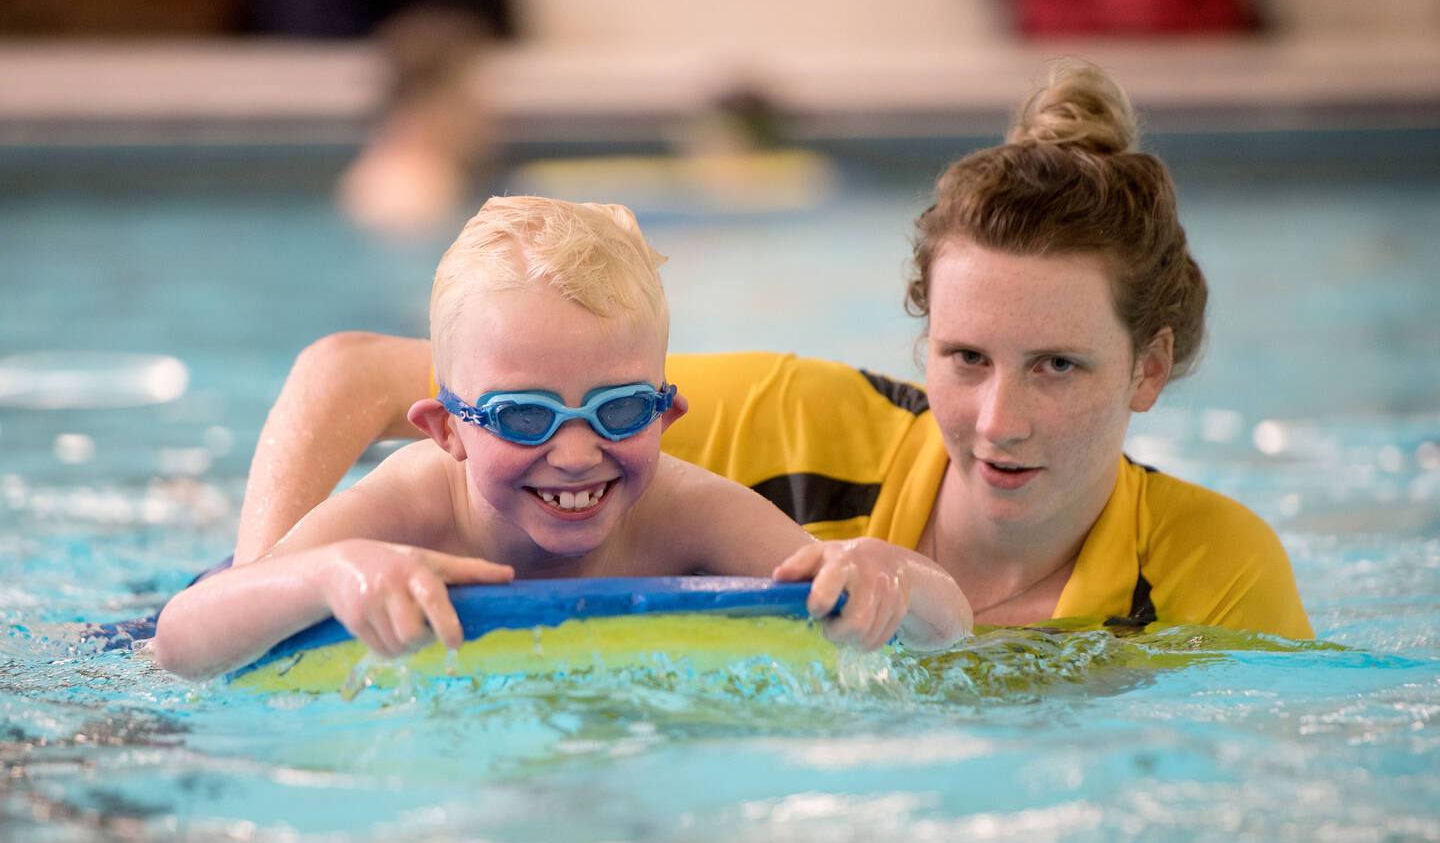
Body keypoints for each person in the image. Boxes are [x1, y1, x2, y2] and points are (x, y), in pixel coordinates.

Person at [229, 61, 1313, 640]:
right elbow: (351, 371)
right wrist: (267, 609)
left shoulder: (1216, 573)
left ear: (1152, 368)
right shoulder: (792, 423)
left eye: (1060, 366)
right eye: (966, 358)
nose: (999, 420)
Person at [152, 197, 970, 679]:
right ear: (447, 432)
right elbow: (181, 642)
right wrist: (331, 572)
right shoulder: (403, 511)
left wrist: (888, 573)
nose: (576, 456)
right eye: (521, 417)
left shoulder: (689, 514)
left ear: (666, 415)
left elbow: (949, 627)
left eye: (617, 412)